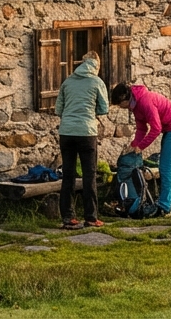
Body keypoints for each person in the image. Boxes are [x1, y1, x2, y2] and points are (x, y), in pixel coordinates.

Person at [110, 82, 171, 215]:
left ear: (124, 99)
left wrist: (141, 147)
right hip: (169, 129)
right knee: (165, 166)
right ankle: (164, 201)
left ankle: (165, 207)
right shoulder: (135, 106)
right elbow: (141, 129)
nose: (120, 107)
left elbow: (156, 128)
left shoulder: (145, 101)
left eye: (119, 104)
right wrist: (134, 145)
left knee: (166, 167)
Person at [55, 50, 110, 229]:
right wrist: (90, 112)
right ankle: (91, 217)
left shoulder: (67, 82)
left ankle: (68, 217)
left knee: (68, 175)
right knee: (89, 175)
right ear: (96, 65)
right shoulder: (97, 82)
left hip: (66, 132)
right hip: (87, 132)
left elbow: (58, 109)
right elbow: (104, 108)